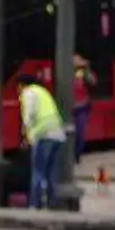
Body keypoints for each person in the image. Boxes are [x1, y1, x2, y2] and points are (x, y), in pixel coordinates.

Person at [18, 72, 66, 210]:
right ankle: (51, 204)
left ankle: (34, 204)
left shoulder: (28, 93)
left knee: (38, 172)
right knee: (51, 172)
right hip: (57, 134)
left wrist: (25, 134)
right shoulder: (43, 92)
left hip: (43, 135)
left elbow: (29, 115)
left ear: (21, 85)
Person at [69, 54, 95, 163]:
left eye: (78, 60)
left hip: (81, 106)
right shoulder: (66, 72)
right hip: (68, 107)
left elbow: (93, 81)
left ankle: (76, 156)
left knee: (80, 133)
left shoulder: (82, 73)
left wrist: (87, 68)